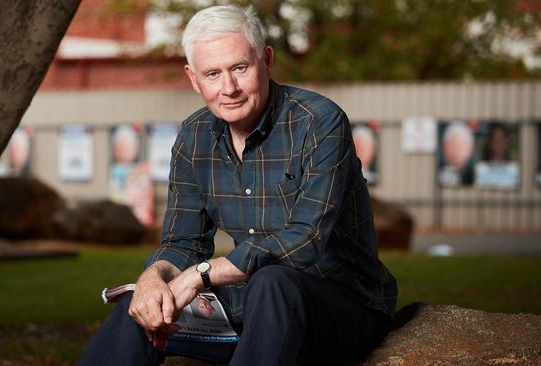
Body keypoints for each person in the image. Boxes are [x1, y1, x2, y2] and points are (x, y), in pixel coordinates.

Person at [78, 5, 397, 366]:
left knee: (273, 281)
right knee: (144, 306)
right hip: (251, 311)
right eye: (212, 74)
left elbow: (305, 240)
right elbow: (183, 242)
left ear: (267, 60)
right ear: (193, 79)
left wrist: (201, 275)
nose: (228, 88)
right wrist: (155, 277)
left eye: (239, 68)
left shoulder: (319, 122)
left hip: (341, 307)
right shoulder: (194, 137)